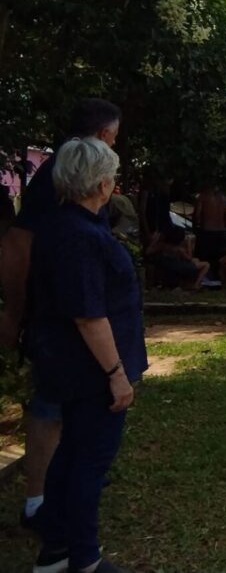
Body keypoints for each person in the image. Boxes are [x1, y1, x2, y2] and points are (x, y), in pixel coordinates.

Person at [0, 98, 120, 534]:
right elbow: (17, 243)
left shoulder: (78, 182)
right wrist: (15, 312)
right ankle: (38, 503)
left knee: (74, 403)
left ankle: (59, 491)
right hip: (60, 317)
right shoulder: (62, 175)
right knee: (50, 405)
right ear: (105, 135)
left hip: (77, 315)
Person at [27, 137, 146, 573]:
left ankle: (56, 551)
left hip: (76, 367)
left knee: (73, 454)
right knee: (88, 463)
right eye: (112, 174)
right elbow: (88, 315)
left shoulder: (71, 226)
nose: (113, 182)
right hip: (90, 371)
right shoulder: (78, 234)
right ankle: (84, 559)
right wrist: (116, 373)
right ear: (100, 183)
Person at [145, 225, 209, 291]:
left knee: (196, 260)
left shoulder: (162, 246)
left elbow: (148, 252)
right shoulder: (178, 249)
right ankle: (196, 284)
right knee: (206, 265)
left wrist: (154, 240)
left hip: (168, 266)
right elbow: (189, 258)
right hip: (178, 267)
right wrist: (189, 244)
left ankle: (188, 283)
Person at [192, 183, 226, 283]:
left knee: (204, 258)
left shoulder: (202, 196)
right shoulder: (223, 198)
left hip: (207, 232)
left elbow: (197, 215)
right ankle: (220, 279)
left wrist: (195, 227)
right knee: (219, 259)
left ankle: (205, 280)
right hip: (221, 232)